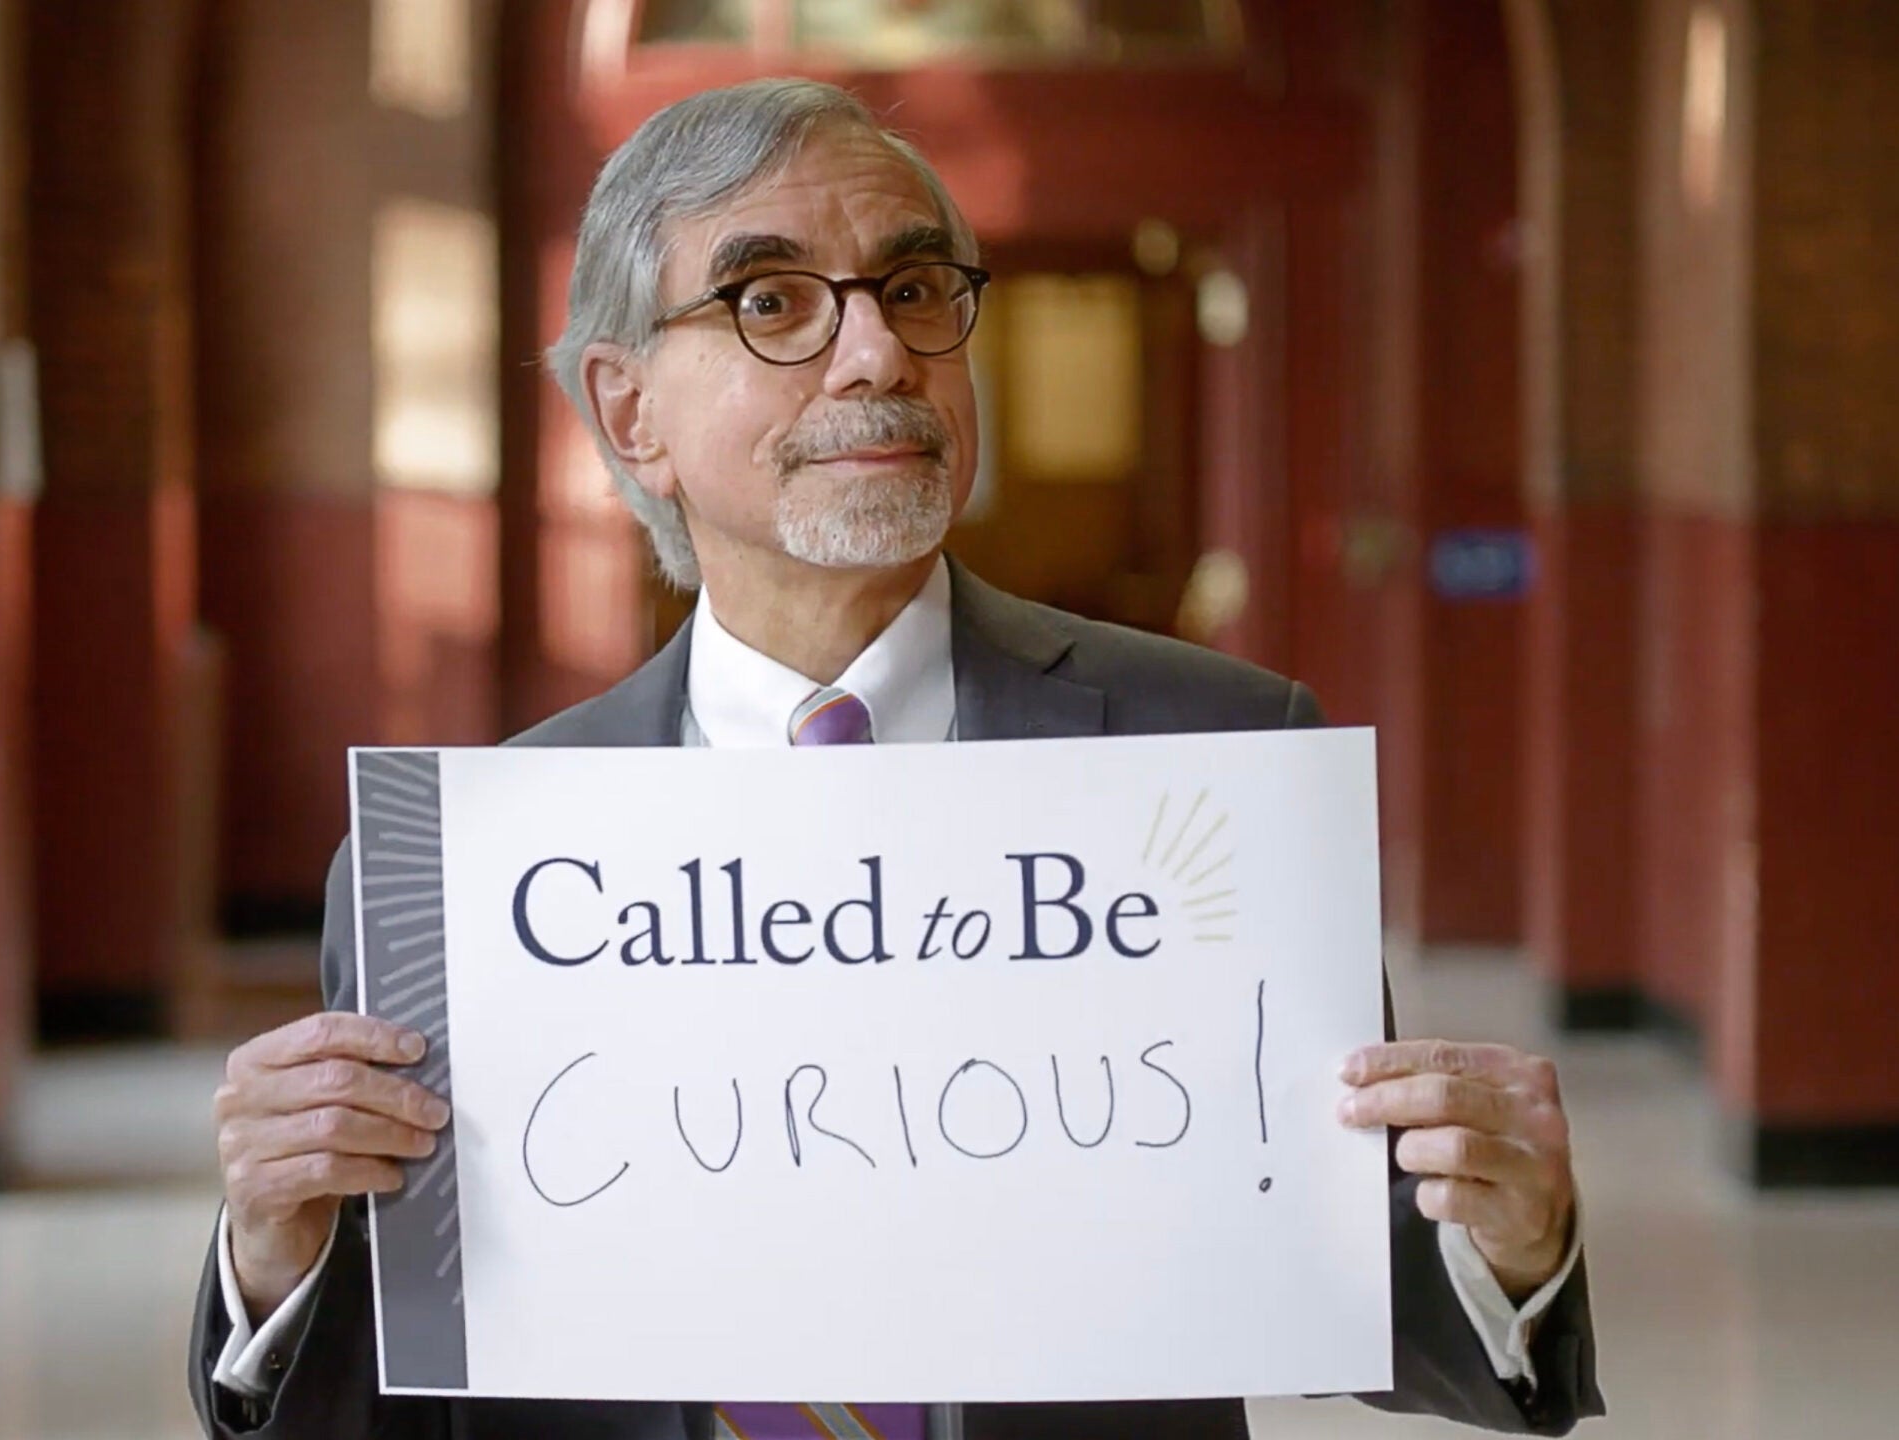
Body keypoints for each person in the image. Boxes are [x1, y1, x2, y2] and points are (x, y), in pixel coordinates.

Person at [188, 78, 1601, 1440]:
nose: (879, 357)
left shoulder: (1218, 762)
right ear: (631, 415)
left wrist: (1514, 1238)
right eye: (773, 302)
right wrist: (274, 1253)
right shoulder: (448, 876)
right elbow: (373, 1398)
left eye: (916, 291)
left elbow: (1369, 1291)